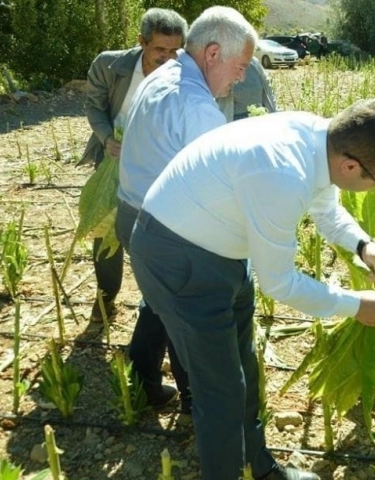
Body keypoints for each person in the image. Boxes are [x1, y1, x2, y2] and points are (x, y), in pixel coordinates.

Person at [128, 97, 375, 480]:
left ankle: (258, 468)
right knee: (220, 393)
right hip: (178, 259)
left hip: (222, 250)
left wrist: (363, 245)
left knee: (245, 375)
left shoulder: (320, 140)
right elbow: (280, 283)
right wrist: (354, 305)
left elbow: (326, 207)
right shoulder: (281, 171)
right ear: (351, 166)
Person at [117, 5, 256, 412]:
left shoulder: (164, 73)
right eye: (241, 65)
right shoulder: (196, 106)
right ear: (213, 54)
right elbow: (221, 188)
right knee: (189, 309)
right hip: (165, 228)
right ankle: (197, 399)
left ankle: (142, 380)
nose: (242, 76)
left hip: (132, 210)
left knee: (158, 303)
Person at [78, 8, 188, 409]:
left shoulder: (183, 71)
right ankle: (107, 295)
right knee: (105, 231)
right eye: (160, 49)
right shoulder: (110, 65)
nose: (168, 58)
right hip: (112, 157)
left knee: (145, 235)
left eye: (176, 50)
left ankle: (149, 305)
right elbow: (94, 105)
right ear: (142, 42)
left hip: (152, 167)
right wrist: (107, 138)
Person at [217, 56, 277, 121]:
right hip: (235, 121)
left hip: (259, 117)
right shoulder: (224, 63)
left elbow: (268, 90)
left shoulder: (255, 63)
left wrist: (274, 113)